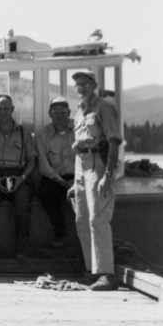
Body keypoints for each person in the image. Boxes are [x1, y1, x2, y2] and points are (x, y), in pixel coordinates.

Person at [67, 71, 122, 291]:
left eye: (85, 84)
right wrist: (75, 181)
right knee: (82, 219)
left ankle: (107, 274)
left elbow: (114, 142)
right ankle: (92, 271)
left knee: (97, 219)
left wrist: (108, 176)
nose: (81, 88)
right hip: (81, 167)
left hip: (98, 165)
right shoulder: (80, 111)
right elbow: (80, 144)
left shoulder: (104, 107)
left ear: (95, 85)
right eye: (77, 85)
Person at [0, 94, 37, 261]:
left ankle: (21, 249)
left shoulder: (25, 132)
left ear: (12, 110)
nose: (3, 111)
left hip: (18, 175)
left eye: (6, 108)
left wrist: (22, 178)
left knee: (24, 207)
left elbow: (32, 160)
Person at [35, 96, 77, 249]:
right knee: (45, 193)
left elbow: (86, 159)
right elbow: (44, 165)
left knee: (86, 199)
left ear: (69, 113)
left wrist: (77, 181)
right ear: (49, 114)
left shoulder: (80, 131)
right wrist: (63, 183)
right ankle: (61, 234)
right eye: (55, 112)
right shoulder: (42, 135)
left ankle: (86, 241)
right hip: (55, 178)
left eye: (63, 112)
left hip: (78, 177)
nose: (59, 116)